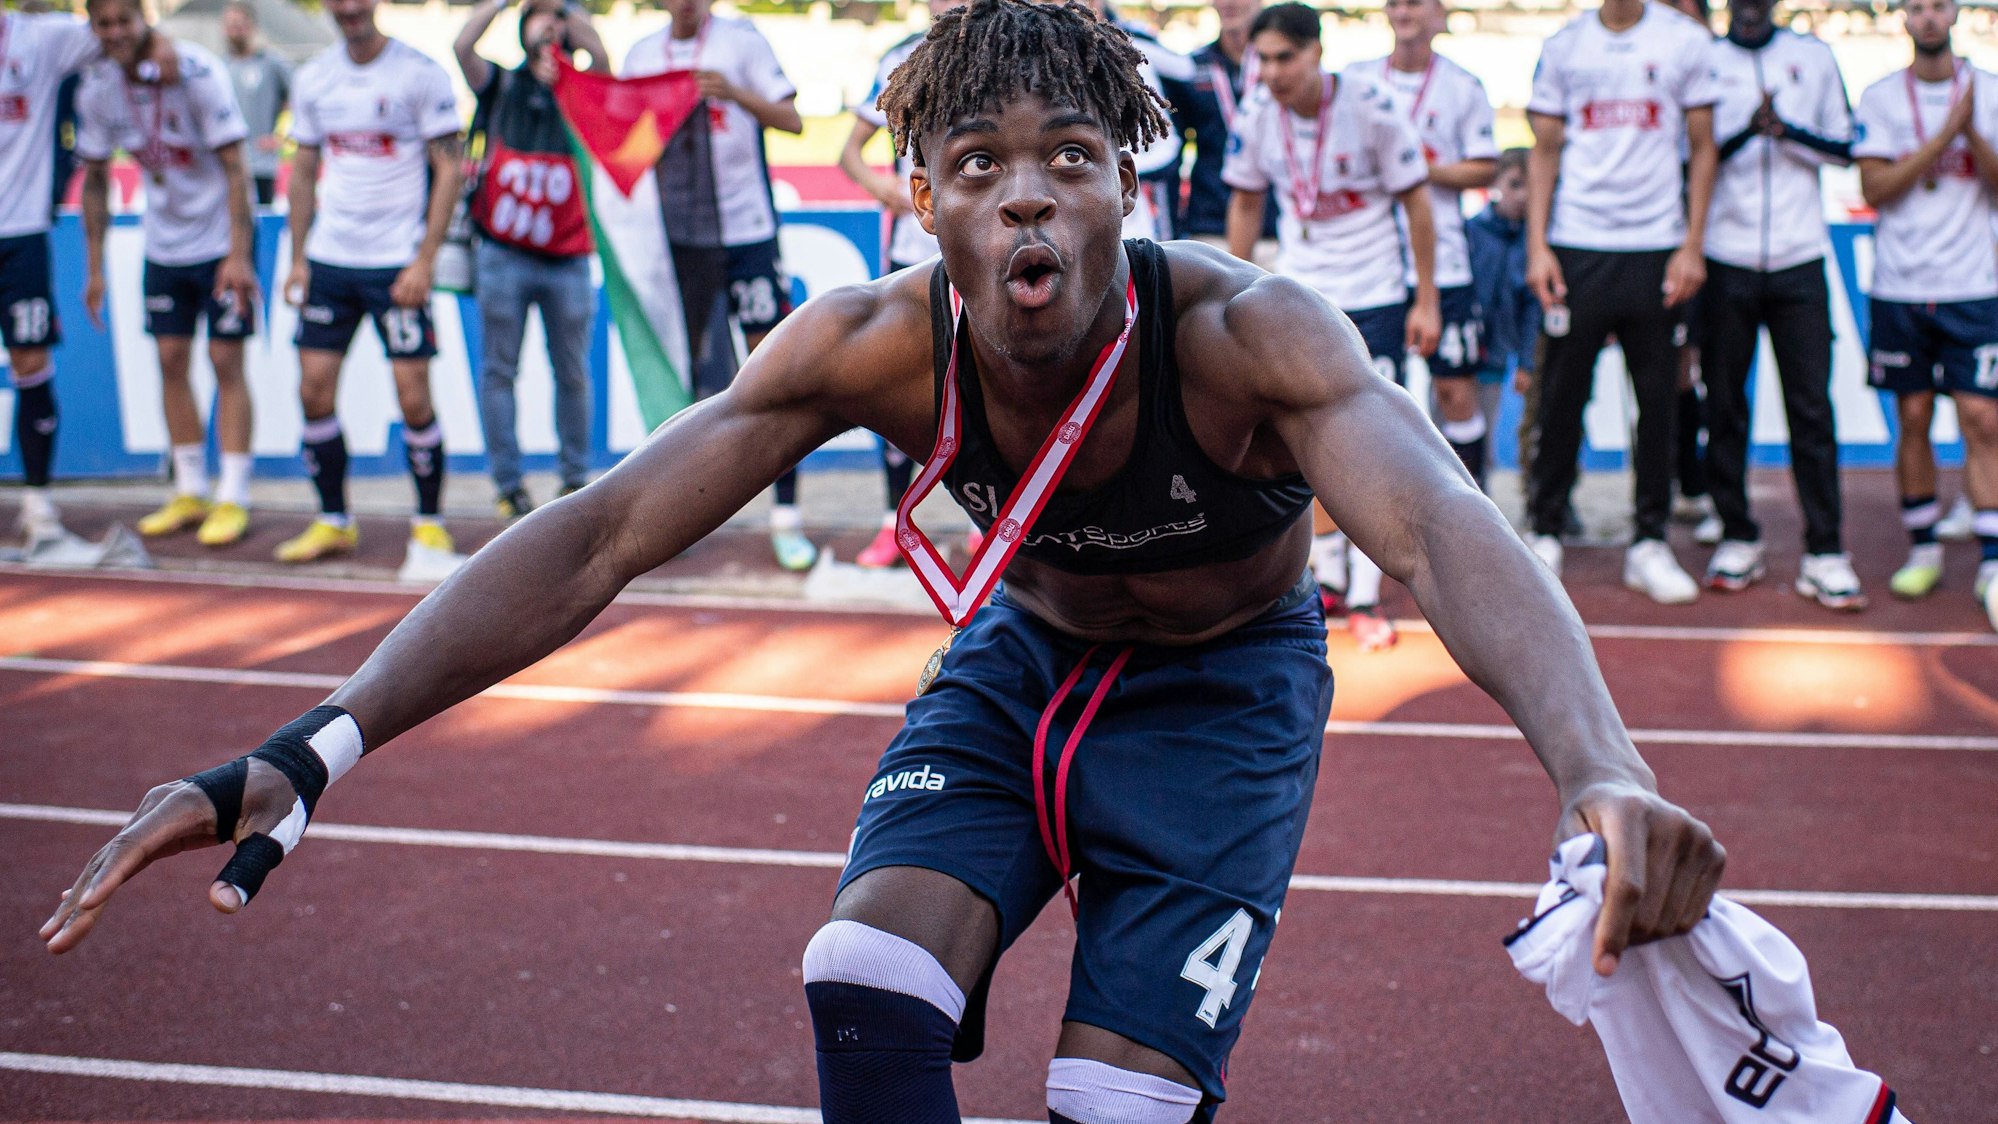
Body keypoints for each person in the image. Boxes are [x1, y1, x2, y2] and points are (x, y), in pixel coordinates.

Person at [38, 5, 1727, 1123]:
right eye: (980, 164)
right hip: (1018, 665)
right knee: (863, 971)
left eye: (1071, 158)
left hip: (1222, 701)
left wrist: (1601, 767)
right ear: (920, 195)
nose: (1028, 200)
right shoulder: (865, 343)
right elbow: (604, 528)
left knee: (1118, 1105)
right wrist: (310, 743)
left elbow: (1441, 525)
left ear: (1126, 186)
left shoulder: (1240, 335)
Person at [1223, 1, 1441, 651]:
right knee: (1299, 445)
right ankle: (1329, 578)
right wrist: (1232, 295)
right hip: (1299, 298)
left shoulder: (1372, 106)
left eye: (1283, 57)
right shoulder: (1258, 115)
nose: (1270, 72)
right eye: (1260, 58)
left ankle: (1368, 594)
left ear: (1316, 52)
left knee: (1369, 449)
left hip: (1373, 296)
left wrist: (1425, 298)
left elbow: (1418, 204)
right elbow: (1244, 200)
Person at [1524, 0, 1718, 604]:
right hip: (1579, 247)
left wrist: (1691, 244)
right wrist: (1539, 246)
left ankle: (1649, 542)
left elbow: (1704, 148)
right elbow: (1544, 153)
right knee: (1561, 397)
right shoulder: (1563, 45)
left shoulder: (1685, 41)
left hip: (1656, 248)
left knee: (1658, 401)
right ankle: (1546, 529)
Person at [624, 0, 815, 571]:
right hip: (682, 243)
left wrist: (735, 95)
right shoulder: (641, 57)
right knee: (691, 383)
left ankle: (787, 519)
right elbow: (628, 153)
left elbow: (793, 120)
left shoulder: (742, 43)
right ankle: (678, 522)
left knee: (775, 374)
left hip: (748, 234)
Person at [274, 0, 463, 567]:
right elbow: (304, 169)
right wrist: (300, 258)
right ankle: (333, 520)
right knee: (312, 392)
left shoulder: (419, 72)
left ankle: (429, 526)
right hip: (331, 262)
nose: (348, 9)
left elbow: (451, 166)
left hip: (396, 265)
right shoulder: (315, 77)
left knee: (413, 399)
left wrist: (425, 260)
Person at [1698, 0, 1864, 608]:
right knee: (1724, 403)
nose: (1749, 8)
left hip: (1800, 258)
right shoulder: (1706, 61)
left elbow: (1847, 149)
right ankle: (1736, 532)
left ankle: (1826, 548)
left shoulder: (1813, 57)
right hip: (1725, 256)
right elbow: (1694, 157)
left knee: (1811, 409)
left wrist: (1786, 130)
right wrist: (1749, 130)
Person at [77, 0, 261, 548]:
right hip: (163, 246)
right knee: (169, 360)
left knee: (226, 360)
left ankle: (234, 494)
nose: (114, 33)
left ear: (145, 20)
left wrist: (239, 254)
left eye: (124, 21)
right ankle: (189, 487)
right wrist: (94, 266)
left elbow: (236, 168)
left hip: (218, 244)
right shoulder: (97, 88)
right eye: (102, 24)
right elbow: (93, 179)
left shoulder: (198, 71)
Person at [1, 0, 172, 547]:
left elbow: (124, 31)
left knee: (32, 362)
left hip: (21, 232)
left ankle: (38, 504)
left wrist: (162, 43)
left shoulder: (41, 38)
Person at [1853, 0, 1998, 619]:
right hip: (1901, 286)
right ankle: (1923, 549)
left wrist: (1969, 131)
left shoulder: (1989, 93)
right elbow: (1875, 189)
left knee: (1983, 420)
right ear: (1904, 19)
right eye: (1917, 8)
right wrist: (1942, 136)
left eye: (1939, 6)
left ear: (1957, 14)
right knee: (1912, 417)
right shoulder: (1881, 97)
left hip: (1974, 285)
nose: (1929, 18)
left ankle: (1992, 562)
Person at [454, 0, 608, 521]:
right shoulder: (500, 84)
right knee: (500, 371)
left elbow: (603, 60)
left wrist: (569, 18)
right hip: (504, 255)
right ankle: (508, 486)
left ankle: (573, 481)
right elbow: (462, 47)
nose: (548, 23)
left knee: (573, 373)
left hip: (569, 258)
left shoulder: (585, 90)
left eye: (556, 16)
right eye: (536, 15)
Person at [836, 0, 968, 568]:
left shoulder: (1014, 56)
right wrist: (884, 188)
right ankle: (895, 524)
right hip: (911, 260)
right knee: (897, 389)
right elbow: (849, 153)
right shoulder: (900, 56)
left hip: (983, 258)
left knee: (994, 394)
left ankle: (988, 527)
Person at [1348, 0, 1499, 485]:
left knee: (1456, 391)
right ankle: (1382, 530)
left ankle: (1475, 514)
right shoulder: (1358, 80)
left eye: (1415, 3)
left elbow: (1486, 165)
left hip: (1445, 263)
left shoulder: (1463, 85)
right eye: (1394, 3)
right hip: (1373, 264)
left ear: (1439, 12)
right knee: (1374, 396)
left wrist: (1412, 168)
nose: (1404, 12)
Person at [1176, 0, 1273, 259]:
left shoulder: (1281, 64)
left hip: (1278, 231)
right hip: (1210, 230)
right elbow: (1172, 148)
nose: (1229, 3)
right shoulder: (1191, 68)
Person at [1468, 146, 1538, 480]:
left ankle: (1479, 498)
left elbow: (1531, 306)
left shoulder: (1533, 241)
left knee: (1486, 430)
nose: (1522, 195)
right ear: (1495, 184)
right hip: (1462, 351)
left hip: (1496, 356)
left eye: (1530, 187)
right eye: (1514, 184)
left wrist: (1526, 361)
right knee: (1445, 429)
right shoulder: (1470, 231)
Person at [221, 0, 289, 208]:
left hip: (262, 164)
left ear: (252, 26)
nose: (236, 31)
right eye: (231, 25)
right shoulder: (220, 67)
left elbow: (298, 100)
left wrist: (281, 136)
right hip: (229, 165)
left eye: (240, 24)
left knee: (263, 222)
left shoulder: (271, 63)